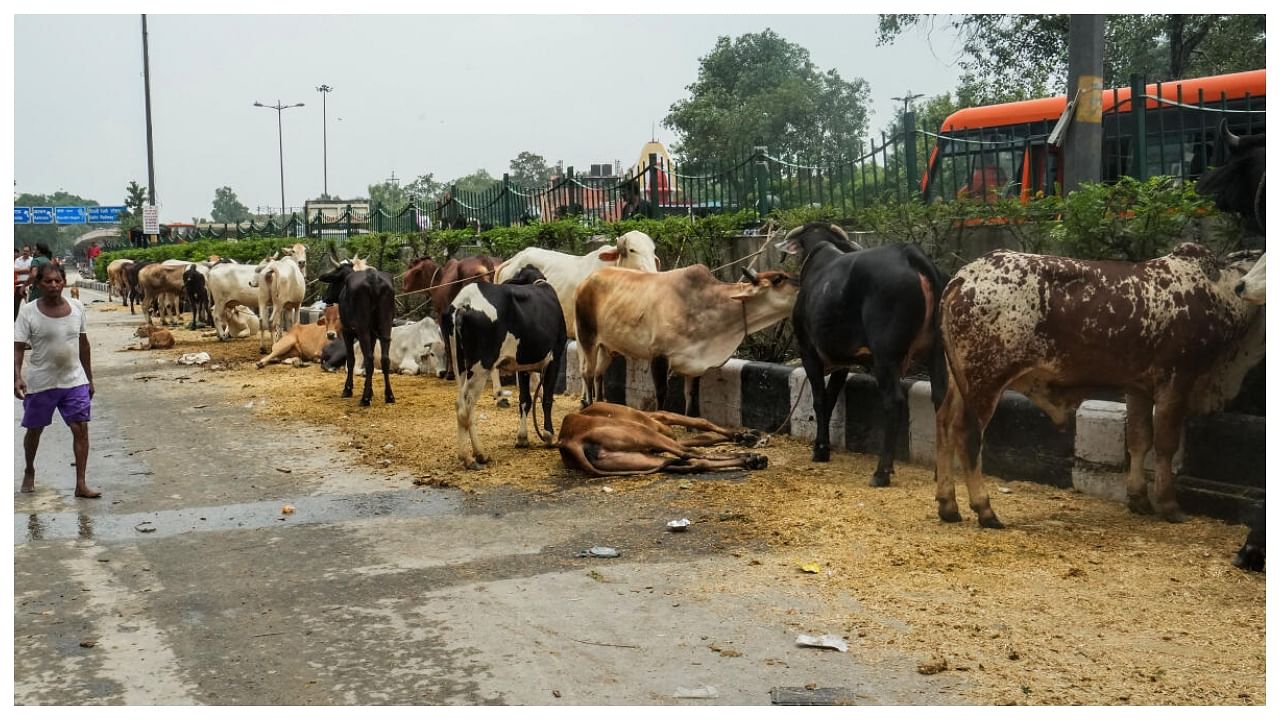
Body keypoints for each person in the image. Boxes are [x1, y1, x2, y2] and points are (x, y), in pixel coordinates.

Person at [15, 261, 99, 498]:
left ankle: (81, 483)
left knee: (80, 428)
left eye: (57, 281)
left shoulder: (77, 307)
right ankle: (30, 469)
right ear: (39, 284)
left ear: (64, 282)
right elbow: (18, 348)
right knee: (35, 430)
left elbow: (84, 344)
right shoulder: (28, 311)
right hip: (42, 382)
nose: (53, 285)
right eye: (47, 281)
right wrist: (16, 377)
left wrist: (89, 378)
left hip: (74, 380)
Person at [14, 245, 33, 319]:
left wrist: (20, 270)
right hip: (19, 285)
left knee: (29, 304)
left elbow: (31, 271)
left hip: (29, 285)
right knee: (15, 304)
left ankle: (31, 320)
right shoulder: (18, 260)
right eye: (24, 251)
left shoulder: (32, 260)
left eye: (27, 251)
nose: (25, 252)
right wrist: (27, 270)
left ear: (30, 252)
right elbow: (15, 271)